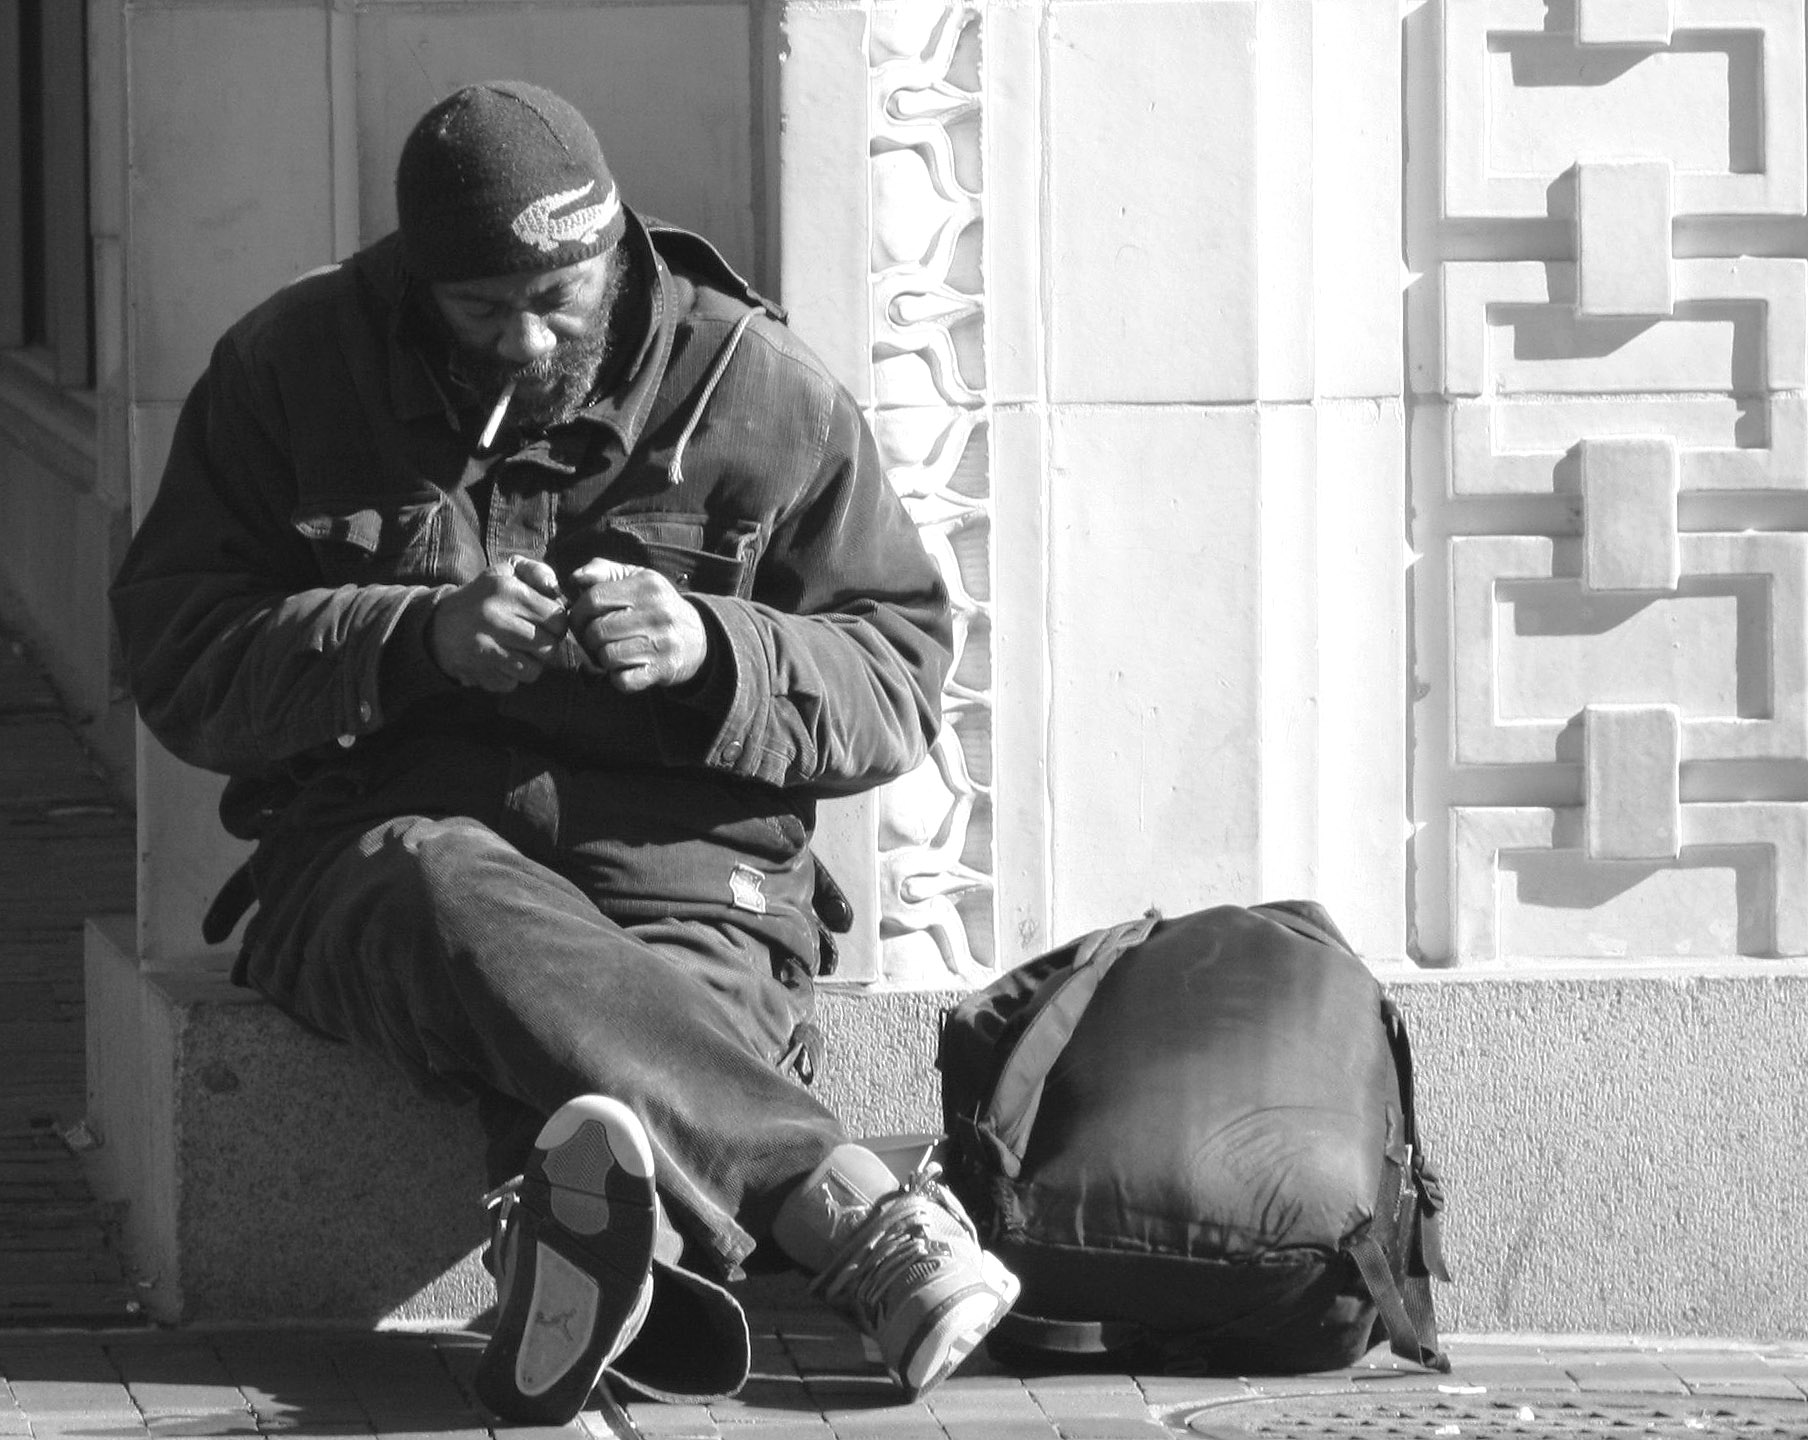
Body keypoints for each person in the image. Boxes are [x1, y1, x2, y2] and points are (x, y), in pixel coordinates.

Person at [109, 80, 1018, 1421]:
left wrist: (718, 650)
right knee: (438, 881)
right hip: (385, 867)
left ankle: (598, 1281)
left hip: (690, 883)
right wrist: (404, 641)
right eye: (483, 313)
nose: (530, 341)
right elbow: (178, 656)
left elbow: (901, 677)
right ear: (420, 284)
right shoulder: (292, 371)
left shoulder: (758, 389)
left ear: (614, 250)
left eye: (560, 299)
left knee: (633, 1055)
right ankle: (847, 1214)